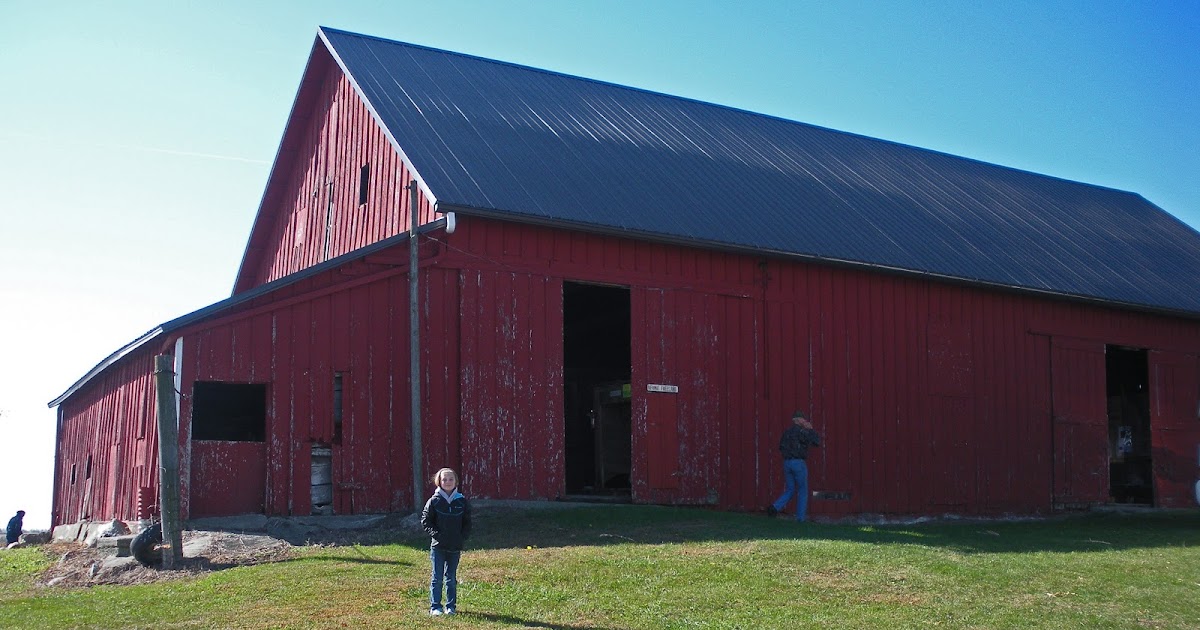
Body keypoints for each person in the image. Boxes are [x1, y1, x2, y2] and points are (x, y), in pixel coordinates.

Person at [420, 468, 472, 616]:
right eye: (444, 479)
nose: (447, 482)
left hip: (455, 546)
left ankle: (451, 607)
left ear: (456, 481)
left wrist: (462, 537)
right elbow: (426, 521)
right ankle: (435, 606)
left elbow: (467, 522)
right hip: (438, 547)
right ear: (439, 482)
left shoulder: (461, 501)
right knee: (437, 577)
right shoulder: (434, 501)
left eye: (450, 479)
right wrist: (436, 535)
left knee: (451, 578)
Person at [767, 410, 822, 522]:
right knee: (802, 490)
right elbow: (816, 442)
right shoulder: (802, 432)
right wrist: (810, 429)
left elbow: (781, 447)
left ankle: (774, 507)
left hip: (787, 462)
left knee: (790, 489)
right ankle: (800, 519)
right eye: (803, 419)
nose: (804, 421)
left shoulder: (786, 432)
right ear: (798, 420)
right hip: (798, 463)